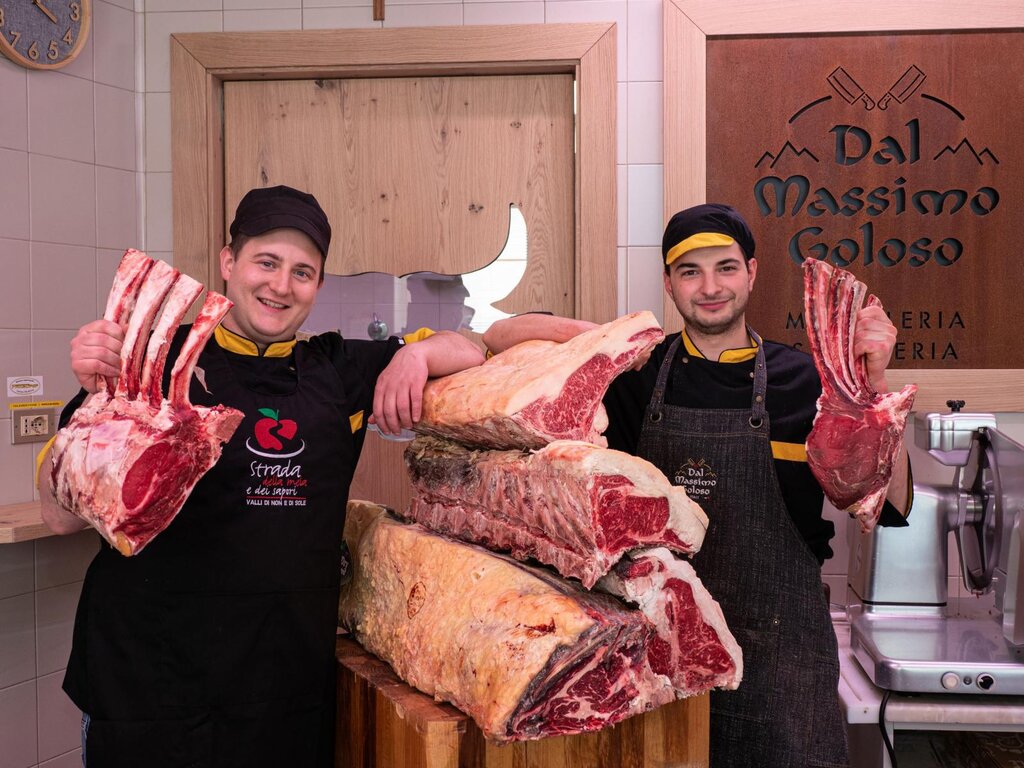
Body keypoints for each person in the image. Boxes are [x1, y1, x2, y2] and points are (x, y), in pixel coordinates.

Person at [37, 185, 485, 768]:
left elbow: (473, 350)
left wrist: (415, 356)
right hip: (148, 685)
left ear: (318, 286)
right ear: (229, 262)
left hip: (281, 691)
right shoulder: (152, 360)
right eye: (266, 262)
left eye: (303, 272)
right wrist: (102, 400)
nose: (281, 285)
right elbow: (59, 515)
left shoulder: (339, 368)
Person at [483, 203, 911, 768]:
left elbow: (886, 506)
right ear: (669, 282)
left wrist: (872, 385)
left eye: (725, 268)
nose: (710, 287)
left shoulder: (805, 379)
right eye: (690, 272)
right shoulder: (635, 375)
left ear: (751, 272)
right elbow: (500, 336)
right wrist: (603, 338)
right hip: (661, 658)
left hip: (781, 661)